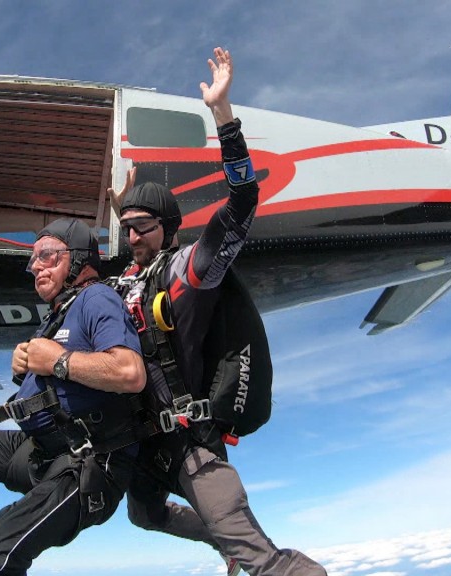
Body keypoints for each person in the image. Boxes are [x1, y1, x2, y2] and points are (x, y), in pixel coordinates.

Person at [110, 48, 327, 576]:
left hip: (190, 439)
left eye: (143, 226)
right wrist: (124, 206)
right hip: (144, 441)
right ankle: (222, 543)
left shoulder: (188, 272)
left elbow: (243, 200)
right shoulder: (126, 276)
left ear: (168, 227)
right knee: (143, 515)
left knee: (258, 556)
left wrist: (222, 115)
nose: (133, 234)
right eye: (127, 226)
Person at [0, 218, 147, 576]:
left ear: (78, 258)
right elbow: (56, 372)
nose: (35, 267)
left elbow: (130, 372)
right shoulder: (58, 313)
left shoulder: (98, 298)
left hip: (87, 461)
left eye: (46, 255)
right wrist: (25, 369)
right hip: (42, 448)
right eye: (33, 260)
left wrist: (57, 361)